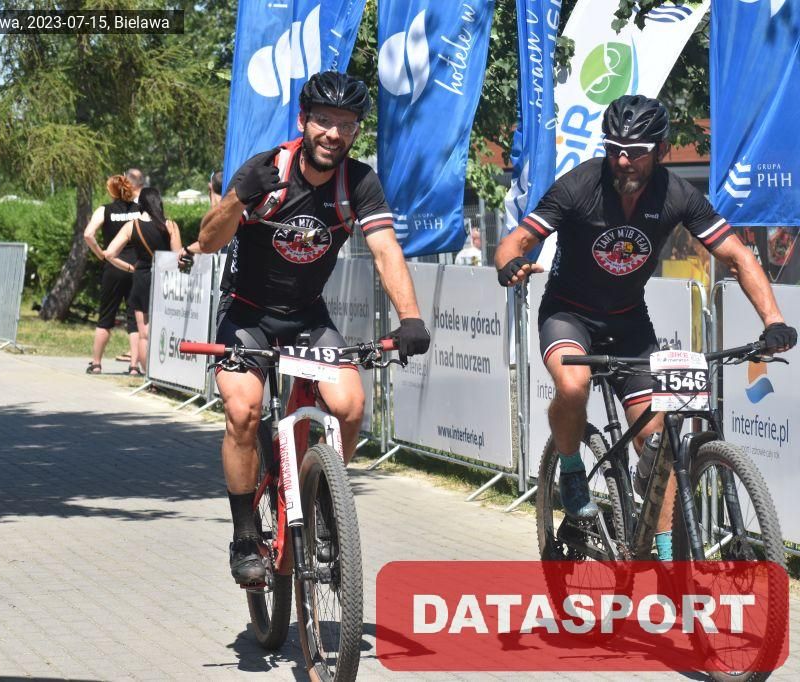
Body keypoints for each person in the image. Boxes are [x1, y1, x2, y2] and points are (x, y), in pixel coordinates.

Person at [494, 94, 797, 560]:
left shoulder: (677, 195)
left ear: (662, 149)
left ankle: (664, 557)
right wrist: (510, 263)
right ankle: (571, 469)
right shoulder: (578, 186)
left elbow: (736, 256)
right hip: (568, 313)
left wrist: (773, 320)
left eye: (636, 151)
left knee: (658, 440)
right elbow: (515, 241)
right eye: (614, 149)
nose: (623, 160)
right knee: (572, 386)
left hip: (628, 321)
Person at [196, 70, 431, 584]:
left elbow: (386, 250)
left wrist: (410, 317)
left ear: (356, 131)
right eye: (324, 120)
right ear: (303, 121)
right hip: (247, 313)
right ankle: (244, 535)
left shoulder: (359, 183)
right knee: (243, 410)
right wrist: (237, 199)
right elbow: (208, 241)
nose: (333, 133)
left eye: (346, 124)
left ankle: (323, 501)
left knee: (350, 406)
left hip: (306, 316)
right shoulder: (266, 170)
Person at [103, 187, 182, 375]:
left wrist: (130, 268)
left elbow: (109, 254)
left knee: (144, 334)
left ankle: (150, 377)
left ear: (141, 205)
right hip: (165, 280)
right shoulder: (170, 225)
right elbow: (178, 257)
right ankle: (165, 374)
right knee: (167, 329)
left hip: (142, 279)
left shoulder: (132, 226)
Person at [83, 174, 140, 374]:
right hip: (136, 267)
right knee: (135, 319)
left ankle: (96, 364)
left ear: (111, 191)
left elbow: (88, 234)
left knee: (106, 316)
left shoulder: (104, 210)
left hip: (114, 266)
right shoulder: (140, 210)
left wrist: (101, 254)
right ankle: (134, 366)